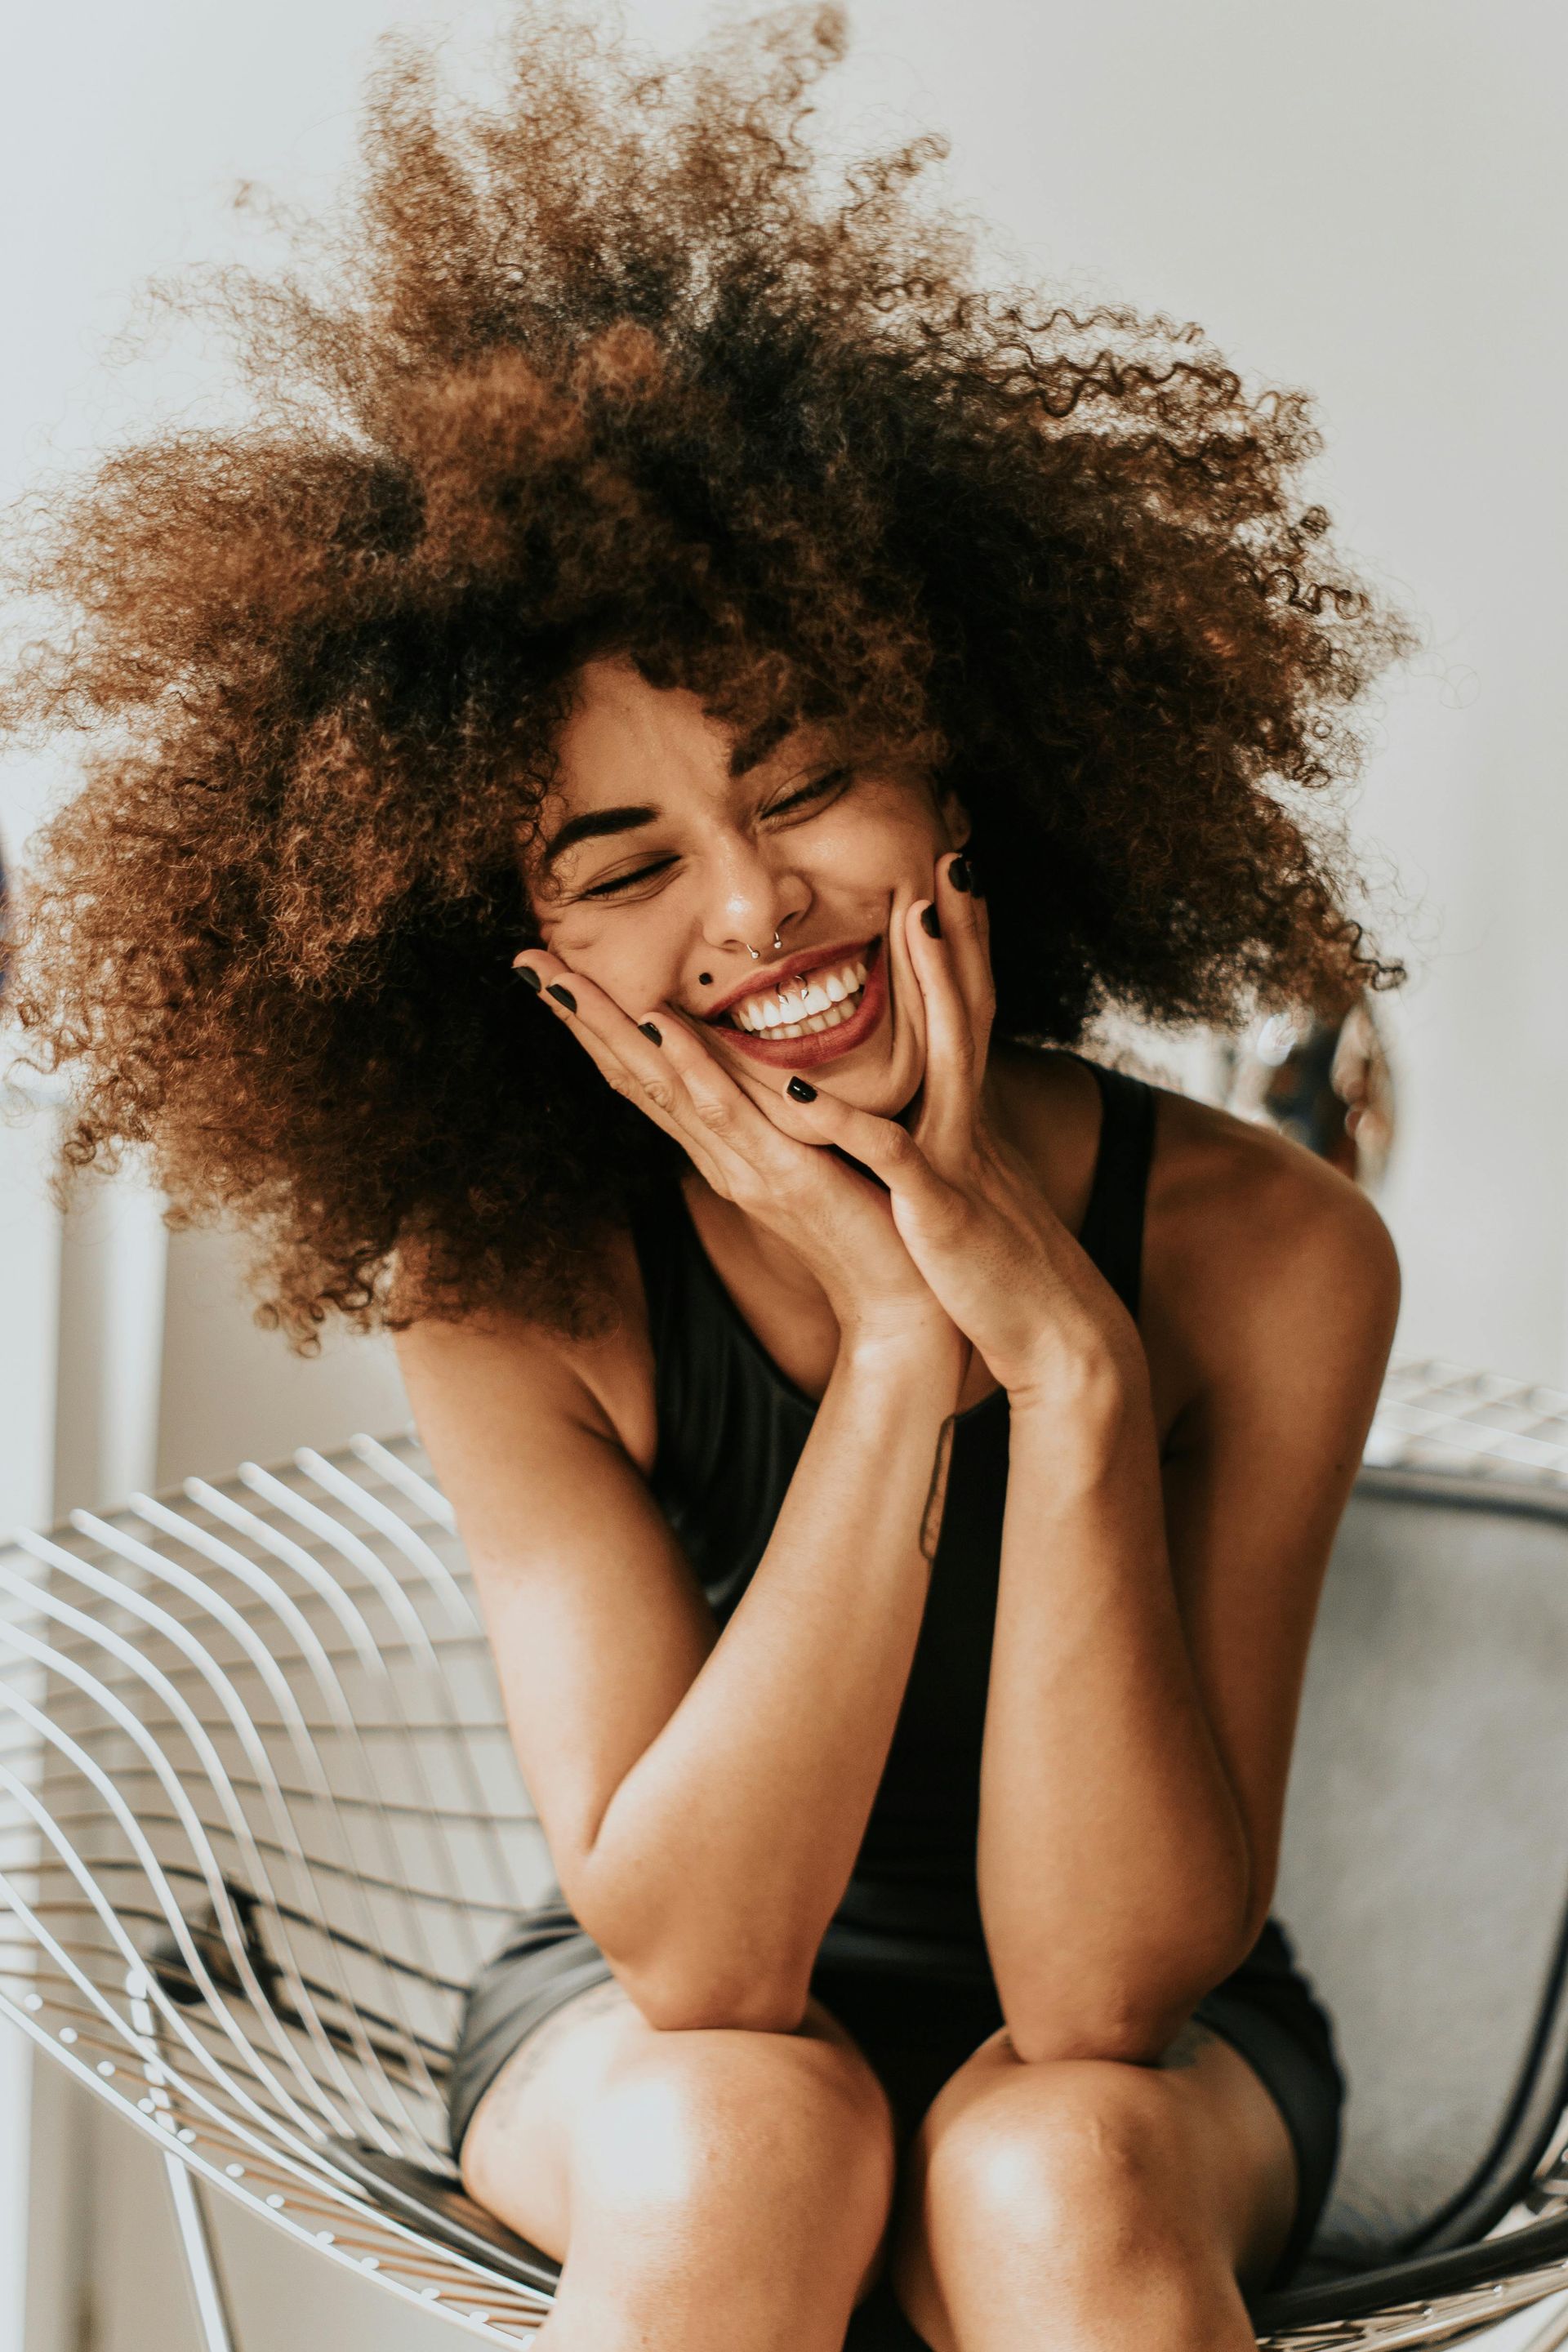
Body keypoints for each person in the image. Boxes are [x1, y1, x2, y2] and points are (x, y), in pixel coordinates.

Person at [4, 8, 1407, 2345]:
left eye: (805, 782)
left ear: (960, 764)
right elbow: (705, 1959)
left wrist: (1056, 1365)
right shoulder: (522, 1286)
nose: (756, 914)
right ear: (532, 959)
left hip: (1162, 2072)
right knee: (760, 2118)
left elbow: (1095, 1999)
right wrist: (888, 1347)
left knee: (1048, 2169)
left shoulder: (1270, 1259)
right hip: (649, 2034)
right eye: (627, 860)